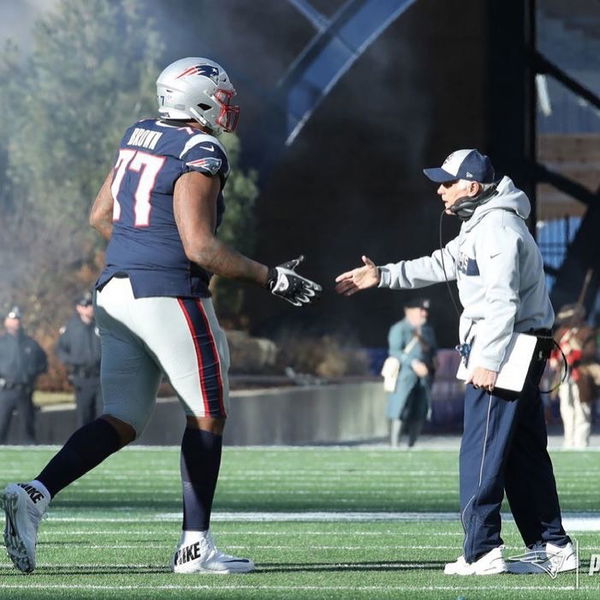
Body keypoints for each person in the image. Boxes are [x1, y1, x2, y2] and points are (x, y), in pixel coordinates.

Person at [0, 57, 321, 576]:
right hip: (168, 295)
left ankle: (35, 494)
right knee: (208, 412)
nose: (227, 105)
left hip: (115, 290)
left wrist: (143, 251)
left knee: (123, 418)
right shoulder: (201, 148)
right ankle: (195, 547)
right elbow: (200, 247)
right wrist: (273, 278)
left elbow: (101, 216)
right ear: (195, 97)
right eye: (220, 95)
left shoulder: (139, 133)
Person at [335, 148, 577, 576]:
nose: (440, 191)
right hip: (519, 348)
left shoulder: (497, 227)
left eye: (446, 182)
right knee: (524, 454)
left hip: (507, 350)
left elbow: (502, 300)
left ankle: (482, 550)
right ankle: (553, 546)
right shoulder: (484, 223)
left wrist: (488, 360)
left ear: (472, 185)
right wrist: (383, 275)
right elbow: (443, 262)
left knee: (480, 452)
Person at [386, 298, 437, 448]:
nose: (424, 313)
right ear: (409, 311)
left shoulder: (427, 330)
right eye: (420, 310)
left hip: (424, 377)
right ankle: (394, 445)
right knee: (399, 409)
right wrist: (413, 363)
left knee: (420, 410)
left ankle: (412, 445)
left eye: (425, 310)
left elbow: (432, 350)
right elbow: (394, 351)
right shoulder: (400, 328)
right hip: (404, 375)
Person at [550, 303, 599, 449]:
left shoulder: (587, 332)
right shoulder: (561, 333)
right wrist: (555, 358)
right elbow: (553, 350)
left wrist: (574, 353)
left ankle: (581, 443)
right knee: (566, 409)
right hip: (564, 374)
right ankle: (569, 441)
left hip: (581, 375)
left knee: (582, 409)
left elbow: (591, 353)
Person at [0, 307, 48, 445]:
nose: (16, 322)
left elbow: (43, 362)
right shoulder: (1, 343)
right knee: (2, 425)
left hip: (24, 391)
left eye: (18, 319)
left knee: (28, 426)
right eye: (13, 319)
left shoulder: (30, 343)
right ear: (6, 321)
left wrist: (32, 375)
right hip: (5, 391)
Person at [56, 292, 102, 426]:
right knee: (84, 417)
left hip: (100, 378)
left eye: (91, 304)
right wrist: (72, 361)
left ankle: (102, 445)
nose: (90, 308)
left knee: (103, 416)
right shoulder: (71, 329)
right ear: (79, 308)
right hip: (82, 379)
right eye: (86, 305)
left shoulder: (100, 325)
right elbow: (60, 350)